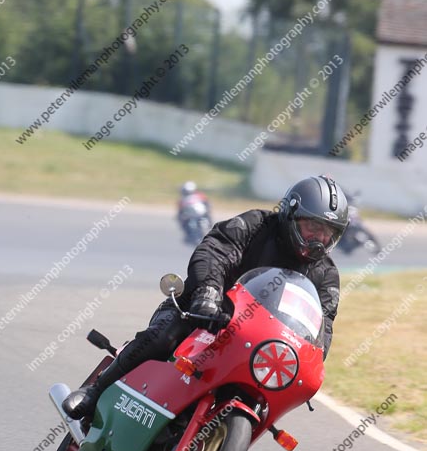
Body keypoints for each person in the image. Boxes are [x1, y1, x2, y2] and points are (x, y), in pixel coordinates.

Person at [64, 174, 349, 421]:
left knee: (264, 400)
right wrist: (208, 294)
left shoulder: (326, 276)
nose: (319, 239)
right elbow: (214, 251)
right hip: (203, 314)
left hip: (255, 344)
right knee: (164, 334)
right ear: (291, 214)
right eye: (313, 227)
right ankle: (95, 392)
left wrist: (310, 360)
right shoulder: (256, 226)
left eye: (328, 233)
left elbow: (322, 325)